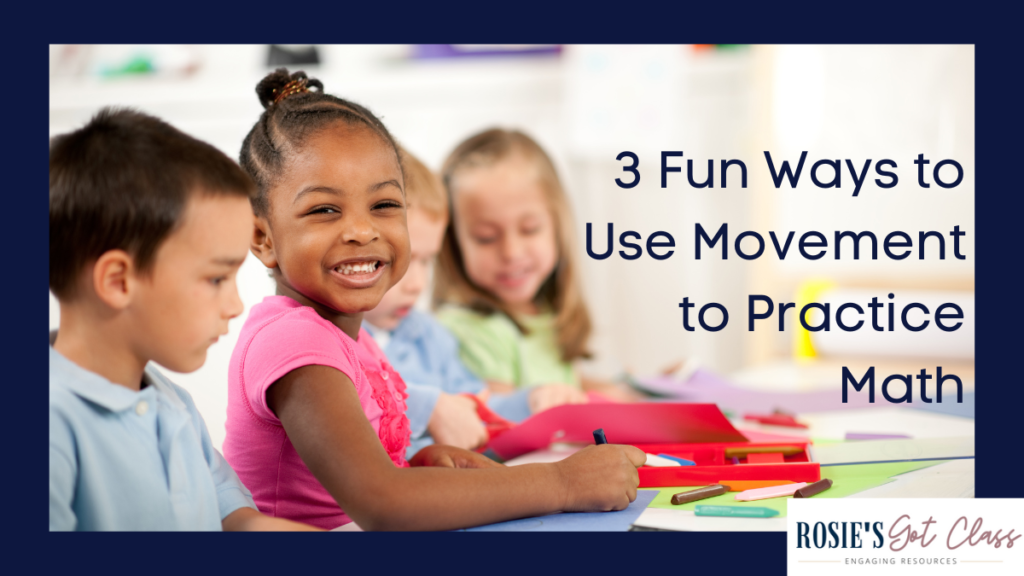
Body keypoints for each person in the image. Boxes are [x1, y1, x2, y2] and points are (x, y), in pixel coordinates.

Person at [223, 69, 644, 531]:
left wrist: (419, 465)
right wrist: (563, 483)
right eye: (324, 210)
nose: (363, 230)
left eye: (384, 205)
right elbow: (382, 503)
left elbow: (372, 482)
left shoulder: (347, 335)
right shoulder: (292, 340)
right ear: (262, 237)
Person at [49, 109, 316, 531]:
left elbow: (240, 523)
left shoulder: (170, 402)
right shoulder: (51, 428)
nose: (235, 305)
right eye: (216, 278)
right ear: (119, 281)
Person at [434, 128, 643, 413]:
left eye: (529, 229)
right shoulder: (471, 329)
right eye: (486, 237)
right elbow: (498, 421)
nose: (511, 252)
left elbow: (557, 383)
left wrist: (621, 388)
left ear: (557, 226)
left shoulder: (540, 311)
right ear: (454, 243)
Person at [362, 148, 533, 458]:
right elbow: (354, 405)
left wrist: (532, 402)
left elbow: (474, 404)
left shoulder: (430, 335)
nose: (417, 284)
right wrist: (428, 408)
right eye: (399, 261)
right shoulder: (335, 341)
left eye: (426, 261)